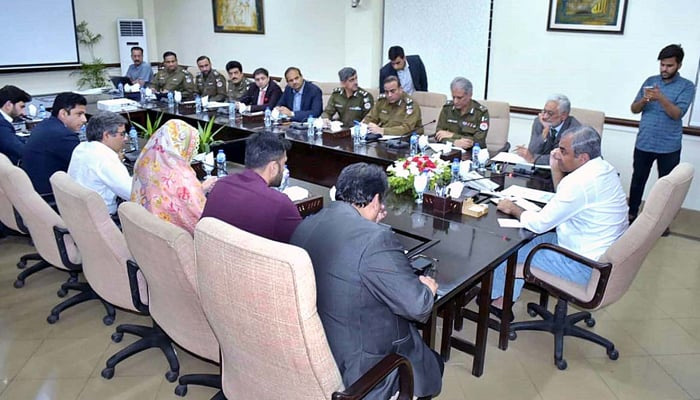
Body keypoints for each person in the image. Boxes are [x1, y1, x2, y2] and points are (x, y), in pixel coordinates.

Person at [290, 163, 443, 399]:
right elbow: (417, 307)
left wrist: (368, 225)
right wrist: (427, 289)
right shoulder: (376, 239)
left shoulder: (306, 224)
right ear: (375, 200)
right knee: (434, 362)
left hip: (312, 348)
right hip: (359, 367)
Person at [491, 126, 628, 310]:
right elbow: (565, 200)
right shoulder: (604, 169)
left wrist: (513, 208)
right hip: (596, 256)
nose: (556, 153)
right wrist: (556, 167)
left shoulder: (580, 182)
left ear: (583, 157)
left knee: (507, 249)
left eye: (563, 151)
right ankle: (502, 298)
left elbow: (539, 224)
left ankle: (496, 302)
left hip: (582, 265)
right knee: (523, 243)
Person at [628, 44, 695, 223]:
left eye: (669, 65)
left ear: (679, 65)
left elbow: (677, 114)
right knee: (637, 181)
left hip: (669, 146)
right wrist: (644, 99)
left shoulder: (686, 86)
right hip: (645, 142)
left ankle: (661, 223)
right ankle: (631, 214)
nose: (664, 69)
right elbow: (634, 109)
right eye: (662, 65)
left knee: (667, 187)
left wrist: (661, 98)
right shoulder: (650, 80)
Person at [201, 132, 301, 243]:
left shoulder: (221, 185)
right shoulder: (280, 203)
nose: (283, 170)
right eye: (283, 164)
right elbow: (303, 246)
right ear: (273, 167)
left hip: (212, 257)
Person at [131, 119, 216, 234]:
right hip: (173, 241)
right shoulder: (182, 176)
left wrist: (200, 189)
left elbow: (168, 193)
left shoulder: (145, 162)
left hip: (145, 233)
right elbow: (200, 220)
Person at [67, 111, 131, 216]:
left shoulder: (81, 148)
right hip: (103, 219)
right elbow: (132, 193)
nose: (126, 138)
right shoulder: (105, 158)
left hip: (78, 214)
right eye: (122, 134)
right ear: (106, 135)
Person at [22, 92, 86, 196]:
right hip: (50, 197)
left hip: (34, 192)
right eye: (79, 114)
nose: (84, 119)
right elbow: (86, 167)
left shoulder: (44, 125)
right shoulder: (64, 136)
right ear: (63, 113)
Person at [514, 94, 580, 165]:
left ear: (563, 115)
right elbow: (532, 151)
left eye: (550, 113)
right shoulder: (539, 122)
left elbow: (561, 157)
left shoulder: (574, 129)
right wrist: (544, 133)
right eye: (544, 111)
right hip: (540, 169)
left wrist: (534, 159)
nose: (545, 116)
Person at [434, 77, 489, 150]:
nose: (455, 101)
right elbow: (439, 134)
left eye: (459, 98)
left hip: (472, 153)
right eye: (453, 97)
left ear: (469, 95)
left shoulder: (481, 113)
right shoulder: (447, 108)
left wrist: (452, 135)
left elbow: (479, 141)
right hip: (449, 150)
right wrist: (454, 142)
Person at [0, 85, 31, 165]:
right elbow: (20, 150)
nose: (23, 113)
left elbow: (14, 138)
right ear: (8, 105)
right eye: (21, 107)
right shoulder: (2, 124)